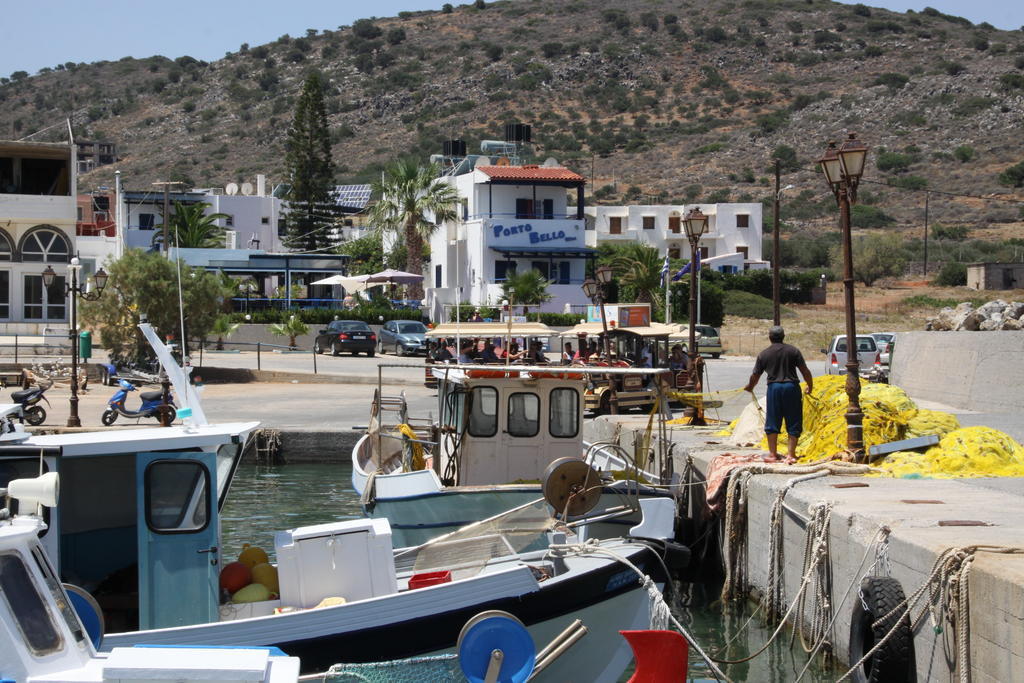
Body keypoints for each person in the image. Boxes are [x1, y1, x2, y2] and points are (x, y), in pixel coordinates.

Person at [743, 326, 814, 464]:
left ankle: (772, 454)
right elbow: (805, 371)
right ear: (783, 336)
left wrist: (750, 387)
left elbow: (755, 375)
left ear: (770, 337)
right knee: (793, 420)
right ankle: (791, 455)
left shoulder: (764, 354)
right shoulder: (793, 351)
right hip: (791, 387)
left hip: (774, 388)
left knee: (773, 420)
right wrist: (810, 386)